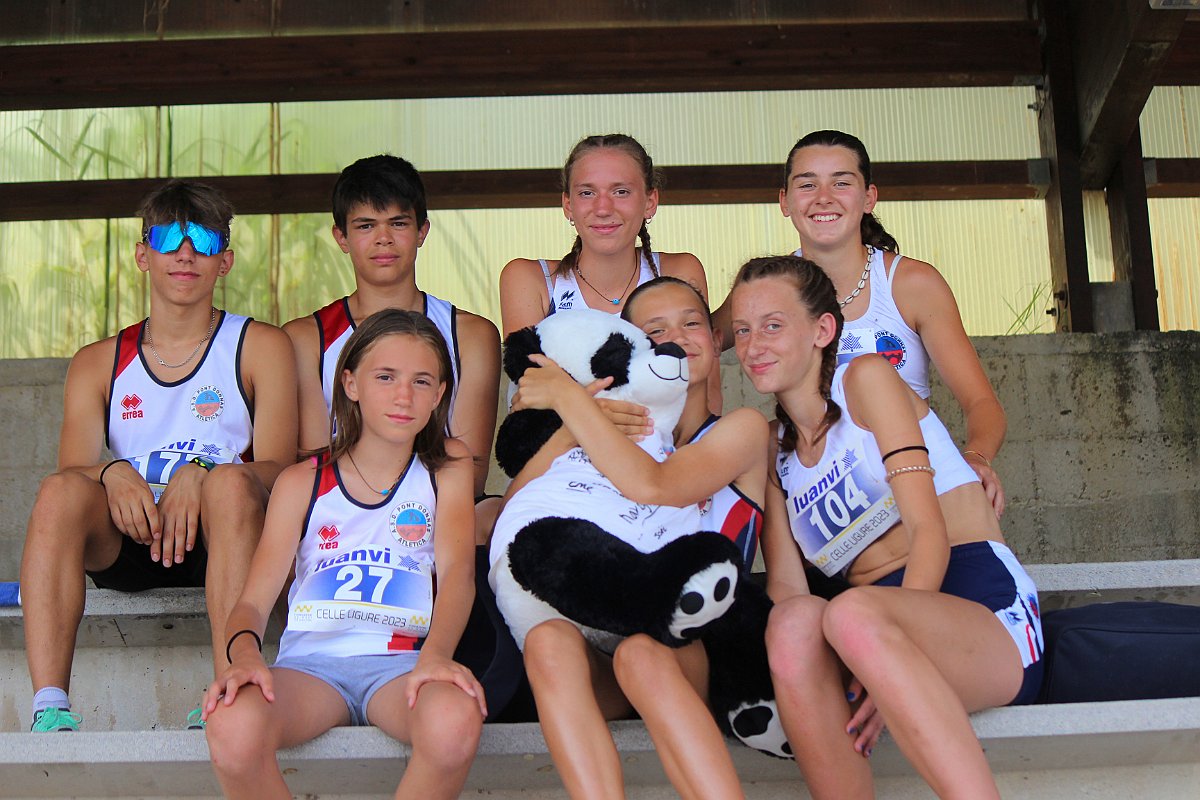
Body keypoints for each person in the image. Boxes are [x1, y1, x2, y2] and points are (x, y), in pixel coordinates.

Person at [730, 255, 1042, 799]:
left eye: (773, 325)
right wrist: (869, 656)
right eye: (742, 330)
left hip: (976, 605)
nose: (754, 345)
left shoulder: (866, 380)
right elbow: (787, 587)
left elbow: (928, 532)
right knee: (793, 624)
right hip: (869, 631)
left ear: (822, 330)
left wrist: (888, 654)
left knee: (851, 614)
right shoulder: (773, 449)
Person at [20, 180, 298, 732]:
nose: (185, 253)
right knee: (58, 492)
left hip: (225, 535)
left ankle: (228, 692)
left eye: (204, 240)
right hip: (134, 532)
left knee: (230, 486)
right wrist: (112, 471)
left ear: (225, 261)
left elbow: (280, 471)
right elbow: (72, 470)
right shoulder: (99, 360)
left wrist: (205, 472)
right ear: (142, 255)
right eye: (169, 237)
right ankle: (49, 707)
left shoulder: (260, 345)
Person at [500, 277, 768, 799]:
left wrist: (569, 399)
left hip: (696, 650)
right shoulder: (602, 427)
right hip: (608, 649)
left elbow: (654, 485)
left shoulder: (741, 428)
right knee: (548, 641)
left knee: (641, 654)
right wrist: (573, 424)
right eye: (657, 330)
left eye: (692, 323)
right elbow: (517, 511)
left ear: (715, 339)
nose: (678, 338)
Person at [203, 310, 484, 800]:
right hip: (310, 669)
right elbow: (251, 603)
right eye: (385, 377)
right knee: (231, 725)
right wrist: (244, 656)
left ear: (440, 394)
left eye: (421, 381)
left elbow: (458, 573)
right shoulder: (302, 481)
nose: (404, 396)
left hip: (402, 665)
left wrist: (437, 656)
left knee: (454, 719)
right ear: (350, 383)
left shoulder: (447, 467)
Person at [775, 130, 1006, 516]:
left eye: (841, 183)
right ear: (785, 201)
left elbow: (981, 402)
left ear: (869, 198)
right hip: (821, 507)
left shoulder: (912, 284)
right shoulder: (768, 291)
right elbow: (701, 337)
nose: (823, 197)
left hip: (916, 494)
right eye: (807, 184)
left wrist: (976, 457)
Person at [284, 154, 500, 498]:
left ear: (422, 231)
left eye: (398, 223)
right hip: (338, 517)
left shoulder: (471, 335)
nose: (383, 238)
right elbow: (314, 466)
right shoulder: (306, 338)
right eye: (365, 226)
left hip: (440, 511)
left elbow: (469, 472)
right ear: (341, 237)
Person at [497, 133, 719, 412]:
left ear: (650, 201)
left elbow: (704, 398)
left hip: (662, 442)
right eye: (587, 193)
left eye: (621, 191)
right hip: (562, 443)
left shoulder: (679, 271)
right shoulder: (531, 279)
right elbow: (531, 399)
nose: (603, 208)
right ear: (568, 205)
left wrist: (573, 397)